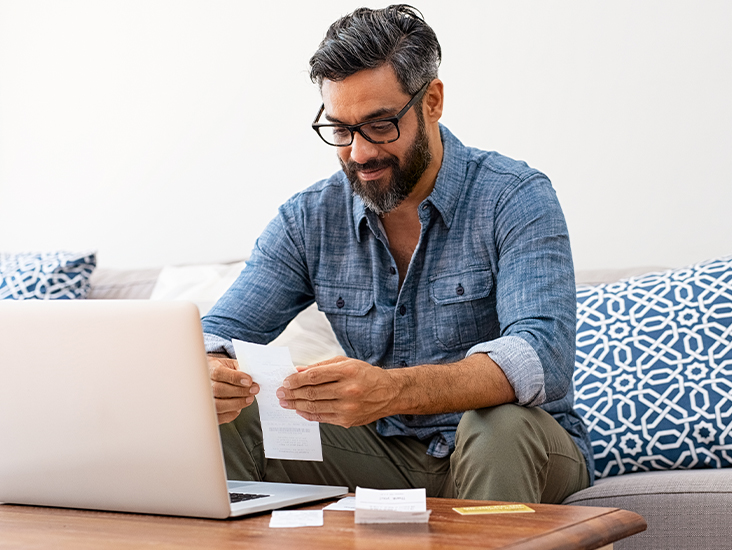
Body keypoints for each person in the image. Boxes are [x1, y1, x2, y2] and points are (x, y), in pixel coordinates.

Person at [202, 4, 592, 504]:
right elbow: (216, 333)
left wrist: (393, 389)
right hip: (381, 452)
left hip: (519, 451)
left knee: (498, 425)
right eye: (341, 130)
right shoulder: (308, 218)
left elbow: (542, 355)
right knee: (225, 418)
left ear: (432, 100)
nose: (360, 154)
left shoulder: (514, 196)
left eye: (381, 124)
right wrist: (209, 373)